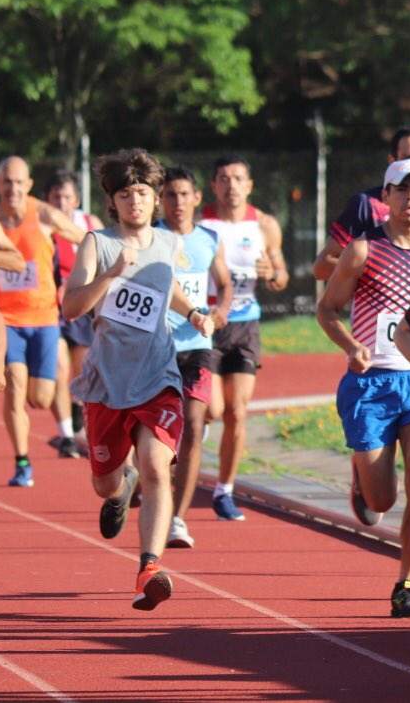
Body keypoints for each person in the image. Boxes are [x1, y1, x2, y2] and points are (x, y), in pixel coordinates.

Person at [63, 148, 215, 610]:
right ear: (112, 201)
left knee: (156, 466)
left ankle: (150, 566)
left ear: (156, 198)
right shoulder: (97, 244)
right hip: (107, 383)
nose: (135, 201)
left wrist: (192, 311)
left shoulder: (169, 243)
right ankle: (120, 482)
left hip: (157, 376)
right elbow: (70, 308)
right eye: (125, 194)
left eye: (143, 192)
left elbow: (163, 284)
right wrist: (108, 275)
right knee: (105, 485)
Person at [317, 159, 410, 618]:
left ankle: (406, 584)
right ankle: (363, 475)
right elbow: (328, 310)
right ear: (387, 197)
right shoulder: (361, 251)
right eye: (403, 189)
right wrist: (351, 345)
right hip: (371, 384)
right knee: (383, 500)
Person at [199, 155, 288, 521]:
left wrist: (273, 274)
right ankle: (194, 430)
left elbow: (281, 276)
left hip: (246, 324)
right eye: (223, 178)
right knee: (213, 409)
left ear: (249, 185)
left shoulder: (265, 225)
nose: (231, 185)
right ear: (214, 185)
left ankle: (224, 490)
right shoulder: (199, 223)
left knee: (237, 412)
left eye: (238, 178)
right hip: (205, 323)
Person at [0, 157, 84, 487]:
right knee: (14, 385)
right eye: (7, 182)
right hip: (6, 320)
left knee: (42, 398)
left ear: (28, 185)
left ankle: (43, 405)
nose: (13, 189)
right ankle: (22, 462)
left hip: (45, 317)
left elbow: (82, 236)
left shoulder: (43, 214)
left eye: (19, 183)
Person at [158, 167, 233, 549]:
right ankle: (149, 477)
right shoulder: (151, 237)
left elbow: (224, 282)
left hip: (196, 345)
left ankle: (177, 520)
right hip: (155, 347)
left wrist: (221, 312)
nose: (177, 202)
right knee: (158, 436)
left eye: (184, 194)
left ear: (195, 197)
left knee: (194, 419)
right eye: (170, 194)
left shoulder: (208, 239)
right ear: (161, 199)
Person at [313, 124, 410, 280]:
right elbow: (321, 267)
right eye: (409, 158)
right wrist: (379, 272)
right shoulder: (366, 205)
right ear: (392, 161)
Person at [46, 169, 105, 458]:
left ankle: (78, 413)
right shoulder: (41, 223)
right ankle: (66, 434)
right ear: (47, 198)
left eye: (67, 196)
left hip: (82, 305)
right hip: (50, 307)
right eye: (56, 196)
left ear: (76, 199)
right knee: (58, 370)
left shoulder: (89, 224)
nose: (61, 201)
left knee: (83, 371)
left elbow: (106, 258)